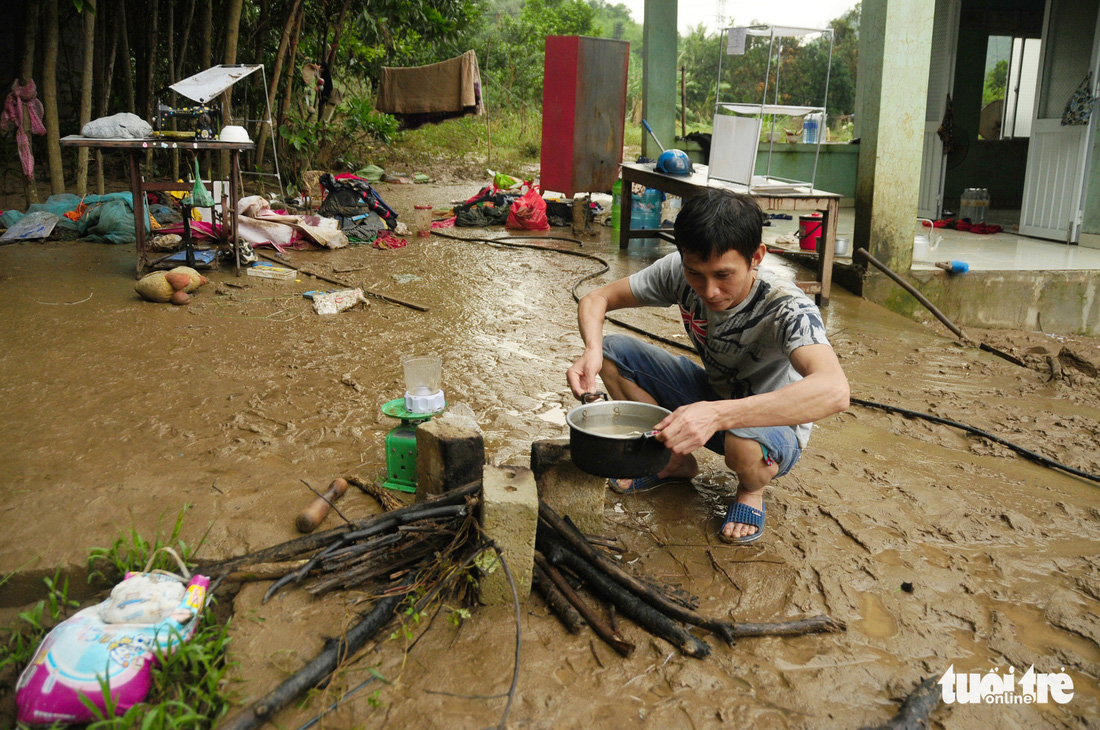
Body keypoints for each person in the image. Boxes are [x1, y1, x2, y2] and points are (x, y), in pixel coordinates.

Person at [566, 188, 849, 544]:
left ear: (756, 257)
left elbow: (835, 391)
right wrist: (591, 349)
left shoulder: (788, 307)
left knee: (742, 438)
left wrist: (716, 415)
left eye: (724, 275)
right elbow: (597, 298)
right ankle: (673, 463)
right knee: (611, 353)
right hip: (712, 395)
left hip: (771, 426)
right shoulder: (679, 271)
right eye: (696, 274)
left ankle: (750, 492)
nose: (709, 290)